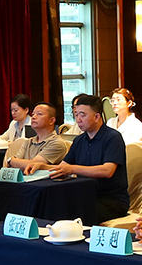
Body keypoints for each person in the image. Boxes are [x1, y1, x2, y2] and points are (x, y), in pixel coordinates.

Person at [52, 94, 129, 222]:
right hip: (84, 195)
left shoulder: (113, 138)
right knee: (55, 204)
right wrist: (41, 167)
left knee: (74, 211)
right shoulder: (79, 140)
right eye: (76, 115)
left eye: (83, 115)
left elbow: (107, 171)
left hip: (110, 200)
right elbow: (63, 167)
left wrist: (73, 169)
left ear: (97, 117)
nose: (78, 120)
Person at [2, 102, 68, 172]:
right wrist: (14, 162)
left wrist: (11, 160)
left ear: (51, 120)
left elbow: (33, 166)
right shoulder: (28, 142)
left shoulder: (57, 143)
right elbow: (13, 166)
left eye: (39, 114)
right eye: (33, 114)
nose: (33, 117)